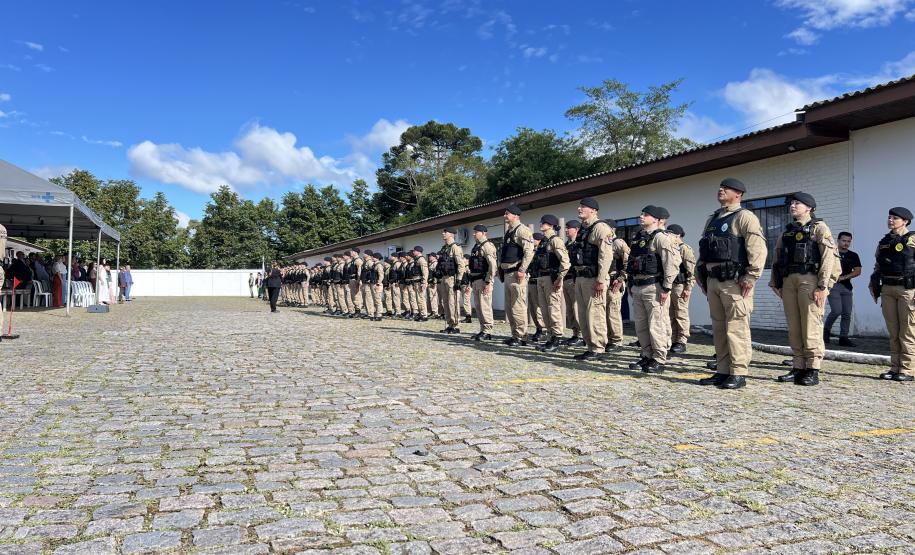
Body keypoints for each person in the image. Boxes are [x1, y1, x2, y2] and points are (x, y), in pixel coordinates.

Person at [697, 178, 768, 390]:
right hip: (713, 281)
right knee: (719, 329)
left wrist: (752, 276)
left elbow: (757, 249)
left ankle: (739, 372)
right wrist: (700, 276)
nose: (721, 190)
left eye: (726, 188)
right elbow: (705, 250)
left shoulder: (744, 217)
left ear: (738, 194)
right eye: (720, 187)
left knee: (736, 328)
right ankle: (722, 370)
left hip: (735, 282)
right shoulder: (713, 219)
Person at [769, 192, 838, 387]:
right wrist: (776, 282)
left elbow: (828, 258)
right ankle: (798, 366)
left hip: (810, 279)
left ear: (809, 208)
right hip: (789, 280)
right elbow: (777, 255)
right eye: (792, 203)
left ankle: (813, 368)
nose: (793, 206)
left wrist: (823, 286)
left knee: (811, 324)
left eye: (797, 203)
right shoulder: (787, 230)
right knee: (794, 325)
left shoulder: (819, 227)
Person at [627, 206, 681, 373]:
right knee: (641, 325)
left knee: (656, 324)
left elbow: (671, 264)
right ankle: (646, 355)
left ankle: (658, 358)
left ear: (657, 220)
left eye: (646, 215)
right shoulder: (639, 237)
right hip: (638, 286)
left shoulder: (662, 238)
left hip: (654, 286)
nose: (641, 217)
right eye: (642, 213)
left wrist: (666, 288)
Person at [869, 206, 915, 382]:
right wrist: (873, 284)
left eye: (894, 218)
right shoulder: (884, 242)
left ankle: (908, 369)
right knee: (893, 331)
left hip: (908, 290)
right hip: (887, 288)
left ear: (905, 221)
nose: (890, 220)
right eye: (889, 217)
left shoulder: (913, 239)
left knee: (908, 331)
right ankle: (895, 368)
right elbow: (878, 265)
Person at [568, 198, 613, 360]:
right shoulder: (583, 229)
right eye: (579, 206)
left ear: (594, 210)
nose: (579, 209)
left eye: (583, 207)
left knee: (595, 313)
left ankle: (599, 348)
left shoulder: (601, 228)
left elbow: (606, 255)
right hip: (581, 277)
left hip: (594, 278)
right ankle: (590, 346)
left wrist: (600, 280)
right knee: (583, 314)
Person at [534, 215, 571, 352]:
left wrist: (560, 278)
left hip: (551, 278)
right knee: (544, 310)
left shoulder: (555, 241)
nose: (541, 224)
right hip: (541, 278)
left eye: (544, 223)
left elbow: (565, 262)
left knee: (553, 309)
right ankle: (550, 337)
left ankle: (556, 338)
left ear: (551, 225)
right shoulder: (543, 241)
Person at [500, 204, 535, 346]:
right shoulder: (509, 232)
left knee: (518, 307)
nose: (504, 216)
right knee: (510, 307)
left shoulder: (522, 230)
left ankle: (522, 336)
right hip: (508, 274)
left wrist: (522, 270)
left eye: (507, 213)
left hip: (516, 274)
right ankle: (515, 335)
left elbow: (529, 251)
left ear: (515, 215)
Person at [824, 232, 861, 347]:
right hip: (833, 285)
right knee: (836, 310)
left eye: (848, 241)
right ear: (838, 240)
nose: (846, 243)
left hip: (846, 286)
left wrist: (844, 277)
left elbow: (857, 271)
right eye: (844, 241)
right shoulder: (831, 252)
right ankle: (825, 331)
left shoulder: (853, 255)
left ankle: (843, 338)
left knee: (847, 313)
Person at [667, 224, 696, 355]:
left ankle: (682, 341)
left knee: (681, 313)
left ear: (678, 235)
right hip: (669, 286)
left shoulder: (684, 249)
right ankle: (673, 339)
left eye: (671, 234)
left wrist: (688, 288)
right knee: (670, 314)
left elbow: (691, 271)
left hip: (680, 285)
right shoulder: (669, 248)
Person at [604, 218, 630, 353]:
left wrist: (621, 279)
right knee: (603, 313)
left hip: (614, 283)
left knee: (613, 313)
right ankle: (607, 339)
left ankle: (616, 341)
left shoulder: (618, 243)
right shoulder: (602, 243)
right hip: (603, 282)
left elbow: (628, 262)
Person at [468, 224, 498, 341]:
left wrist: (488, 281)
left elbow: (493, 265)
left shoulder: (487, 246)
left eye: (476, 232)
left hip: (483, 280)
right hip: (476, 280)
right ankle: (482, 329)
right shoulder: (476, 247)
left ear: (483, 233)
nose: (474, 234)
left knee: (485, 306)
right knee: (479, 307)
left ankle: (487, 330)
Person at [436, 227, 466, 333]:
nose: (443, 233)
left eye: (445, 232)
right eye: (443, 232)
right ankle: (449, 323)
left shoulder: (455, 247)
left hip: (452, 278)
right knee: (446, 302)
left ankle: (455, 325)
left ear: (452, 234)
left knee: (452, 302)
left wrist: (459, 280)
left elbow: (461, 265)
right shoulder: (444, 248)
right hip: (444, 278)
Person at [562, 220, 584, 347]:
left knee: (576, 309)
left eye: (568, 228)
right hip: (566, 279)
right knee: (570, 309)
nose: (566, 230)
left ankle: (581, 335)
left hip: (574, 279)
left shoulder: (579, 243)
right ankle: (575, 333)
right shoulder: (567, 244)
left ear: (576, 229)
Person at [527, 233, 546, 342]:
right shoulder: (532, 252)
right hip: (531, 281)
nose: (531, 241)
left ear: (538, 240)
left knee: (539, 306)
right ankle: (538, 328)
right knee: (533, 307)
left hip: (538, 280)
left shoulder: (540, 252)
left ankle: (542, 329)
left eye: (533, 239)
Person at [411, 246, 429, 322]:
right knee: (418, 299)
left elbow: (425, 272)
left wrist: (424, 282)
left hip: (420, 282)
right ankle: (421, 314)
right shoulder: (417, 259)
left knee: (421, 299)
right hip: (416, 281)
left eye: (414, 251)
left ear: (418, 251)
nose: (413, 252)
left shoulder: (421, 260)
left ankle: (424, 315)